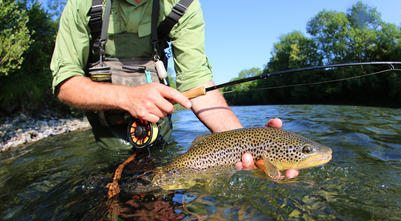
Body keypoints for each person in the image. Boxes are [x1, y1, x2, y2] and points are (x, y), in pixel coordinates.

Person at [50, 0, 299, 178]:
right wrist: (127, 97)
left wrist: (250, 144)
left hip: (162, 145)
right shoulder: (82, 4)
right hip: (107, 148)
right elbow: (65, 83)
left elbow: (197, 82)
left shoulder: (183, 5)